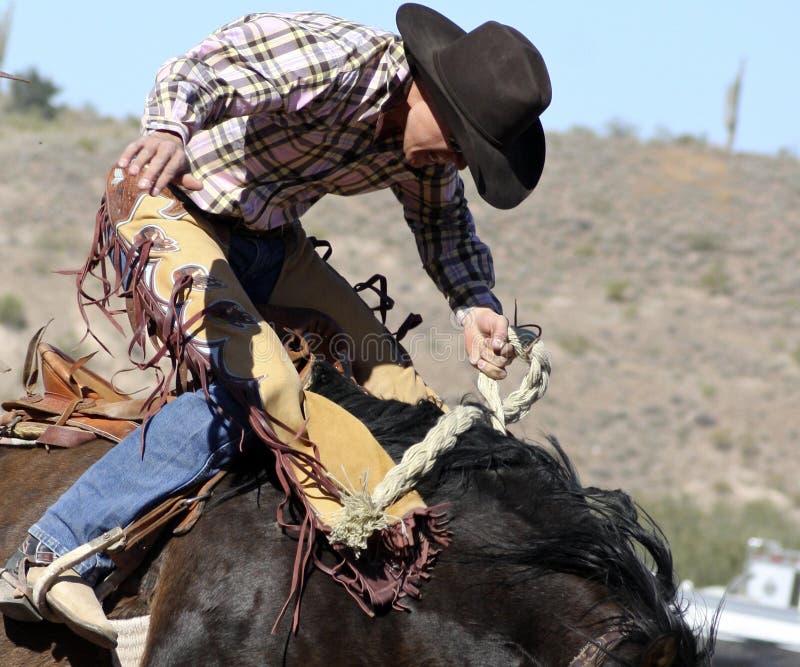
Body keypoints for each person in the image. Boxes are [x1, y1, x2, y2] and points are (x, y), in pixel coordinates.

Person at [0, 4, 550, 648]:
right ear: (431, 91)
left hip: (269, 244)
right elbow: (206, 70)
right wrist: (173, 130)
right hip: (168, 206)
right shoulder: (341, 61)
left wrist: (475, 301)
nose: (455, 162)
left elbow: (443, 226)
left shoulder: (426, 154)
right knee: (267, 387)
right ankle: (48, 553)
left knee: (402, 397)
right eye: (460, 143)